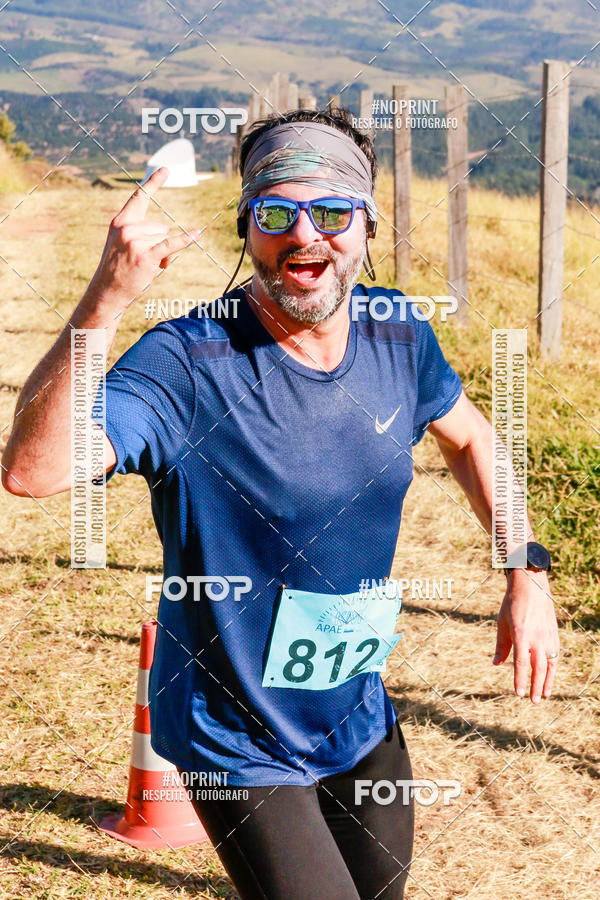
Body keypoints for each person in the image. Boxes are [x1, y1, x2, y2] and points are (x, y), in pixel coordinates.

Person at [2, 107, 559, 899]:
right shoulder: (188, 364)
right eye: (276, 213)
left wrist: (524, 572)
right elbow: (32, 470)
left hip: (356, 714)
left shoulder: (400, 333)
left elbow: (470, 438)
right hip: (235, 740)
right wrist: (102, 303)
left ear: (367, 225)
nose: (306, 236)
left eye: (332, 211)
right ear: (246, 228)